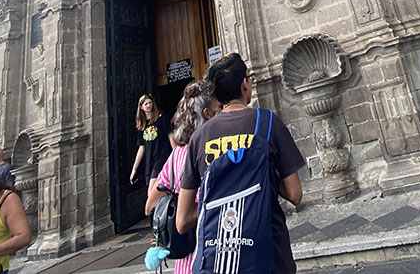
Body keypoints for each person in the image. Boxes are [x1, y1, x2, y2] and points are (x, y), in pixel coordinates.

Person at [177, 52, 305, 274]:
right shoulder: (268, 123)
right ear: (244, 84)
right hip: (270, 256)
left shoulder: (200, 137)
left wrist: (221, 197)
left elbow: (183, 220)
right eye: (249, 77)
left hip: (219, 259)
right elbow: (294, 194)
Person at [144, 81, 220, 274]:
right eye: (220, 107)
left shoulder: (177, 155)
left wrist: (174, 196)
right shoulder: (218, 151)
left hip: (186, 263)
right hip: (216, 254)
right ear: (207, 113)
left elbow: (150, 205)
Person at [130, 94, 172, 197]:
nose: (148, 106)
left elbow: (170, 135)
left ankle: (152, 211)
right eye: (146, 104)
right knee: (155, 190)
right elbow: (141, 147)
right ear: (141, 107)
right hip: (149, 160)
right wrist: (134, 169)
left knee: (151, 192)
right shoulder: (142, 125)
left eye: (150, 103)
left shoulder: (161, 117)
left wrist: (175, 152)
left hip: (161, 156)